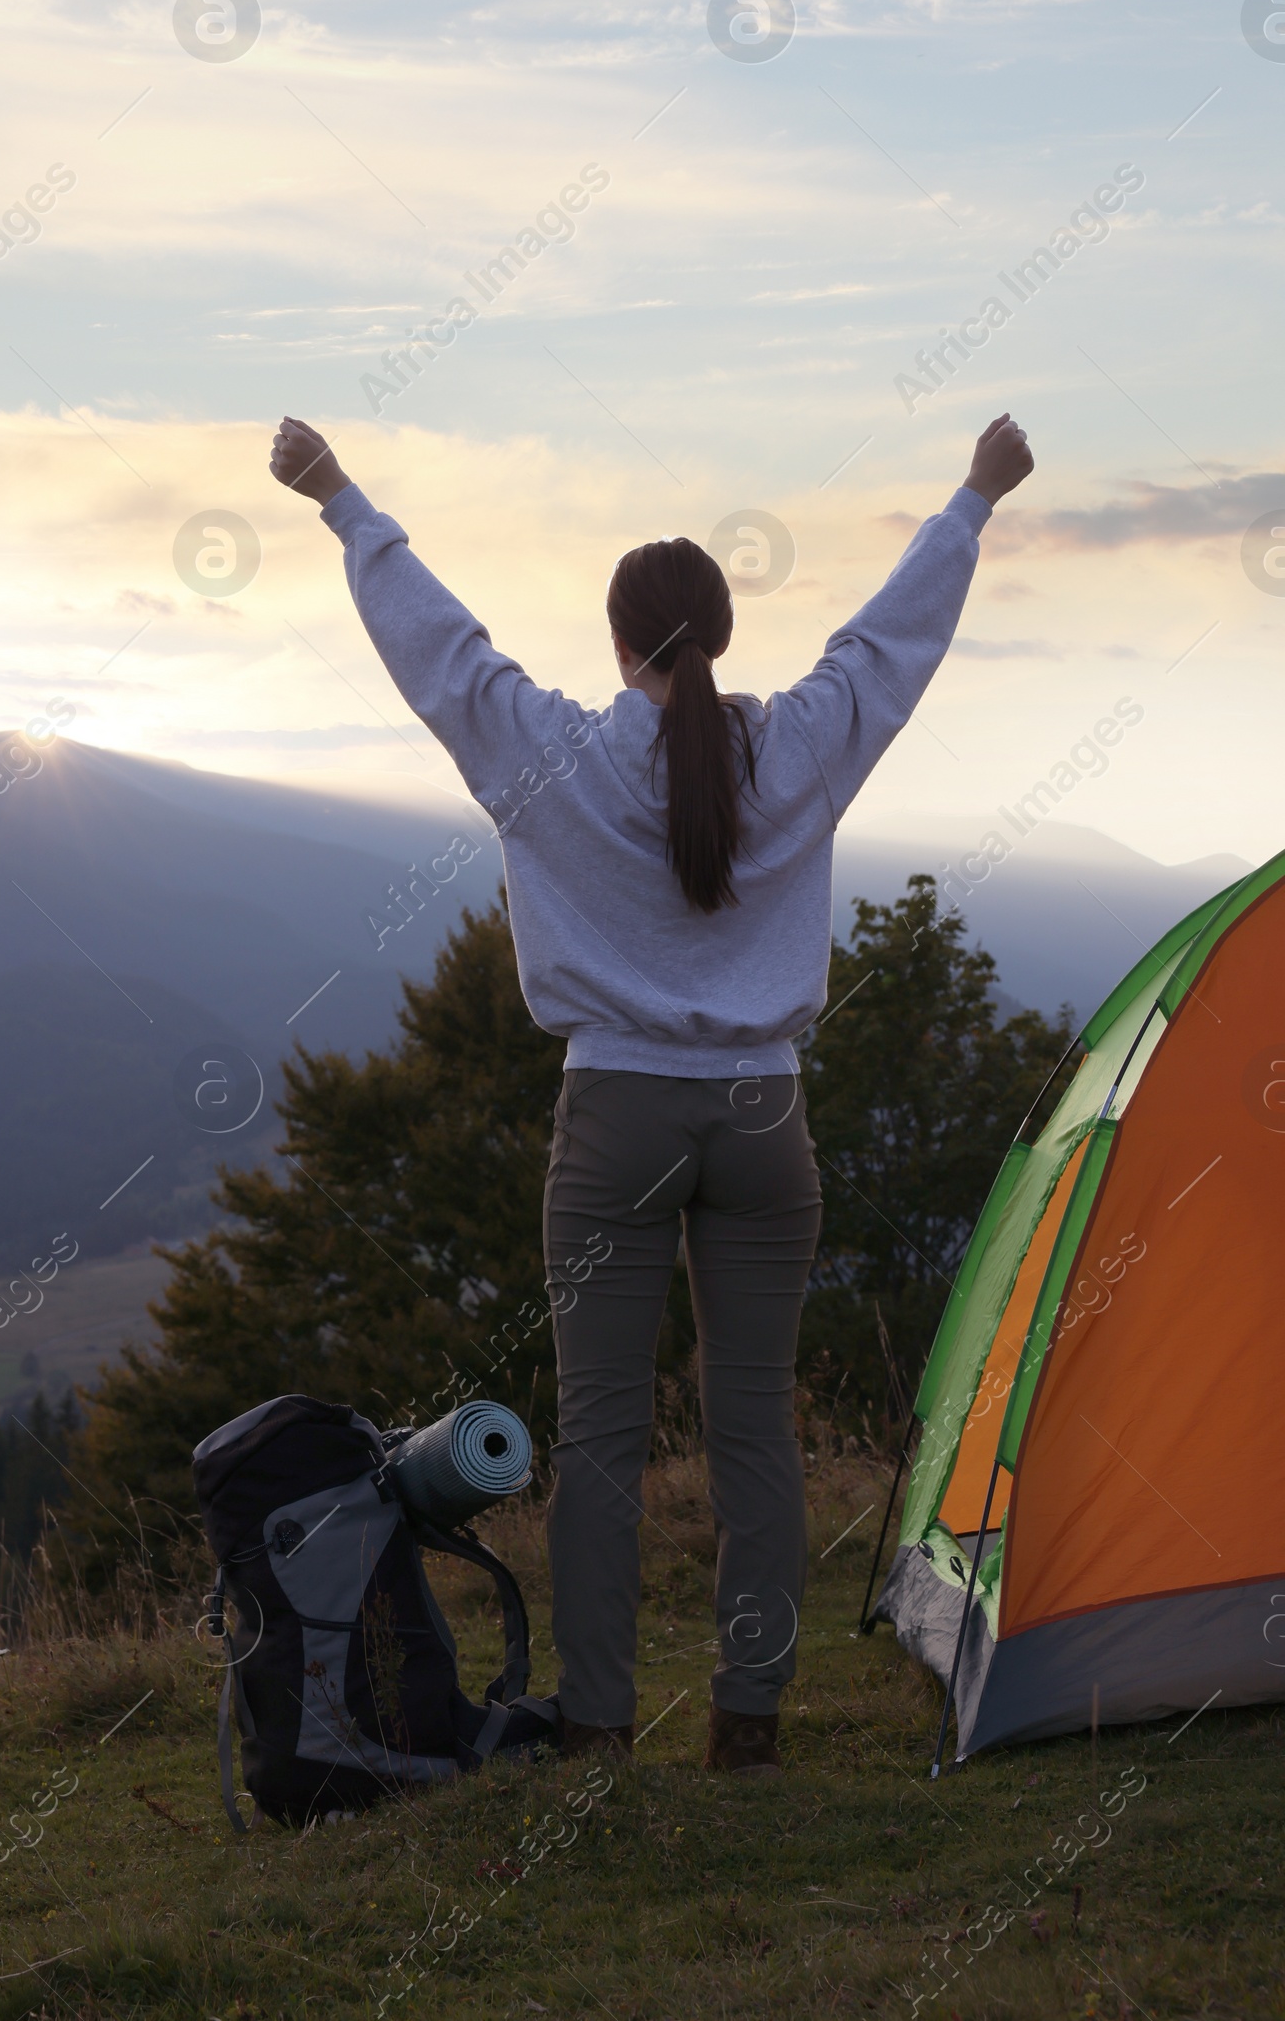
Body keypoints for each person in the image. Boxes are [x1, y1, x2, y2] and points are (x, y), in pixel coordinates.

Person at [270, 411, 1033, 1775]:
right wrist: (974, 496)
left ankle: (603, 1729)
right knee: (756, 1432)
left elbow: (441, 650)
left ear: (622, 645)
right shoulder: (796, 748)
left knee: (604, 1439)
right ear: (724, 633)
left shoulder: (549, 754)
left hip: (617, 1113)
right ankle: (751, 1721)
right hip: (764, 1122)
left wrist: (340, 498)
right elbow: (888, 646)